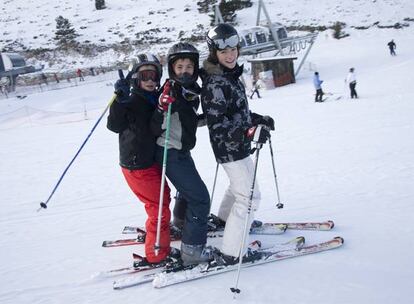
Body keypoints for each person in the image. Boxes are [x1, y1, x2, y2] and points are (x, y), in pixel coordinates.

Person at [200, 23, 275, 263]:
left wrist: (257, 120)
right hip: (228, 149)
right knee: (250, 198)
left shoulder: (229, 76)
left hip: (238, 146)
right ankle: (233, 253)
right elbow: (218, 125)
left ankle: (224, 221)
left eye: (233, 49)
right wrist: (249, 132)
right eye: (224, 52)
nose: (230, 54)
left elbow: (236, 115)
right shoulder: (215, 83)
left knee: (239, 187)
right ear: (215, 53)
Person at [107, 53, 173, 264]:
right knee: (159, 208)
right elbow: (114, 125)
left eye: (154, 75)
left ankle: (157, 233)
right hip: (137, 165)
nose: (151, 81)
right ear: (135, 78)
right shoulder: (132, 99)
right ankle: (156, 254)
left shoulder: (152, 97)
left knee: (163, 197)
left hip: (148, 161)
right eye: (145, 76)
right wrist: (119, 100)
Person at [151, 43, 212, 266]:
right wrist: (162, 106)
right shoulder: (170, 91)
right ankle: (192, 252)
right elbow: (156, 124)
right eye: (179, 67)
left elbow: (188, 121)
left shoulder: (190, 91)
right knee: (200, 198)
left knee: (188, 191)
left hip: (181, 150)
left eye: (189, 66)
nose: (184, 71)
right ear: (172, 69)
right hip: (169, 151)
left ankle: (180, 223)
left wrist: (211, 118)